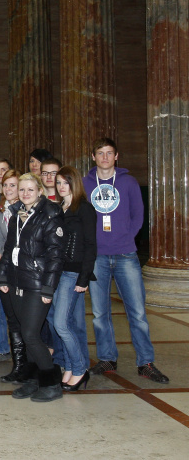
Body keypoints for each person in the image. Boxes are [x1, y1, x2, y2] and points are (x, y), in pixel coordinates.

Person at [82, 138, 169, 383]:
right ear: (93, 156)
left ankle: (146, 362)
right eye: (101, 153)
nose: (105, 157)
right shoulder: (85, 183)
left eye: (110, 153)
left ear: (117, 156)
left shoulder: (128, 182)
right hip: (97, 256)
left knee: (137, 312)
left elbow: (138, 215)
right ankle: (107, 357)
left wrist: (125, 239)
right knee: (100, 313)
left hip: (125, 254)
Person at [0, 173, 65, 402]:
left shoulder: (49, 215)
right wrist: (3, 277)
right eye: (22, 190)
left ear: (39, 191)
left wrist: (48, 288)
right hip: (17, 281)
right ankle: (34, 380)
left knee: (31, 334)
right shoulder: (17, 215)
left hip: (37, 283)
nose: (25, 194)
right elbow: (9, 250)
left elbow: (56, 256)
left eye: (30, 190)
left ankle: (52, 382)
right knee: (26, 336)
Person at [50, 166, 96, 391]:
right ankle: (69, 366)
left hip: (74, 272)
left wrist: (84, 279)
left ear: (74, 183)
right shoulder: (59, 209)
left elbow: (91, 246)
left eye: (65, 182)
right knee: (63, 323)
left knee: (61, 323)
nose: (61, 187)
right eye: (58, 183)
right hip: (59, 272)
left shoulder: (84, 209)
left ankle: (79, 368)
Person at [0, 169, 32, 383]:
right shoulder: (2, 210)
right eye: (5, 185)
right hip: (7, 273)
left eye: (13, 186)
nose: (8, 189)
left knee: (28, 322)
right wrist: (3, 272)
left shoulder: (26, 211)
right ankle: (19, 366)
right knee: (13, 321)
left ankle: (33, 365)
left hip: (25, 275)